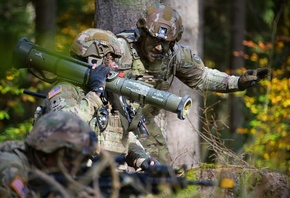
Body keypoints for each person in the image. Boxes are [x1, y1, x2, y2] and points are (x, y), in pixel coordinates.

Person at [115, 3, 270, 164]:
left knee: (161, 173)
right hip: (110, 117)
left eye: (166, 42)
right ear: (144, 32)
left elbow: (202, 77)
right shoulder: (120, 47)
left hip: (141, 120)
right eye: (155, 40)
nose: (159, 47)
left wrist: (238, 82)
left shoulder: (175, 56)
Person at [41, 28, 159, 171]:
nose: (116, 65)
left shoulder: (112, 95)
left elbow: (123, 136)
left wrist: (142, 159)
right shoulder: (66, 90)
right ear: (94, 59)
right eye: (111, 59)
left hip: (113, 179)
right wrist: (95, 94)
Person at [0, 111, 101, 197]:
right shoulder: (11, 168)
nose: (74, 165)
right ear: (47, 151)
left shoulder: (31, 161)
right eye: (69, 157)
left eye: (81, 159)